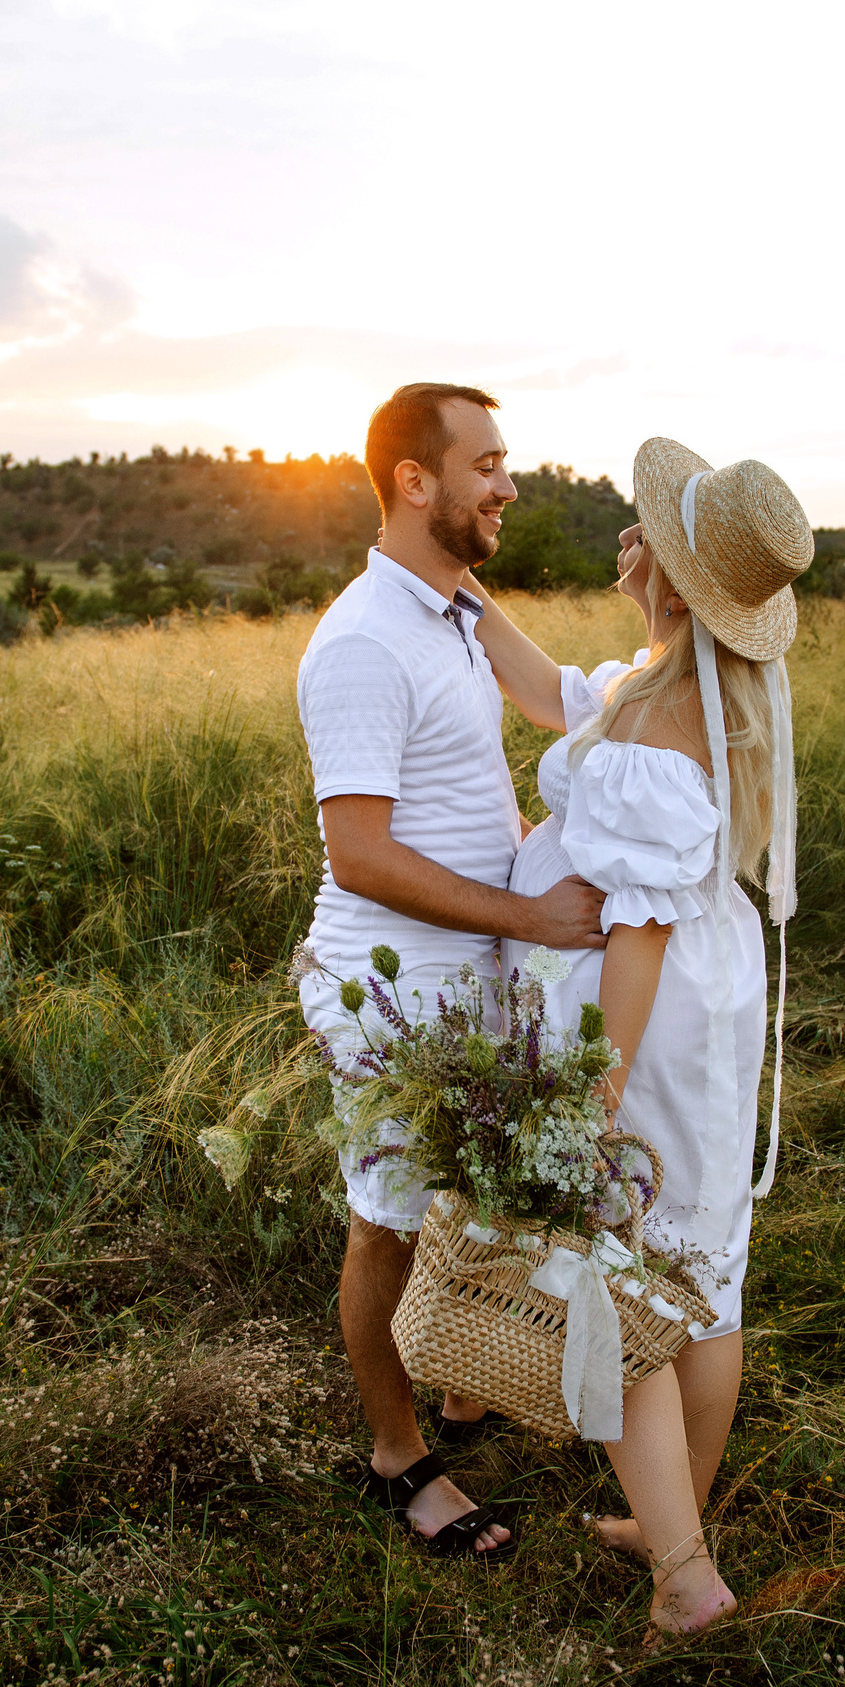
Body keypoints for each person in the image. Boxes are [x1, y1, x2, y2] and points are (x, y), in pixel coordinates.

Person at [466, 438, 812, 1635]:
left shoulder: (660, 716)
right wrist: (466, 600)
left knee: (619, 1279)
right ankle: (678, 1517)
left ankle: (684, 1579)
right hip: (708, 1010)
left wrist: (588, 1089)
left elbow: (640, 930)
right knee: (699, 1274)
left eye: (643, 531)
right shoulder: (695, 681)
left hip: (646, 1017)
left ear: (671, 572)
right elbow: (558, 691)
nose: (624, 539)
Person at [294, 381, 607, 1561]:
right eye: (486, 463)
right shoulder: (364, 641)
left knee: (471, 1186)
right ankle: (397, 1454)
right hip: (388, 982)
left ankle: (467, 1382)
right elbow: (360, 851)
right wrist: (528, 909)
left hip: (471, 968)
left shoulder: (444, 615)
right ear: (414, 482)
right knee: (386, 1218)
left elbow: (542, 712)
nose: (509, 483)